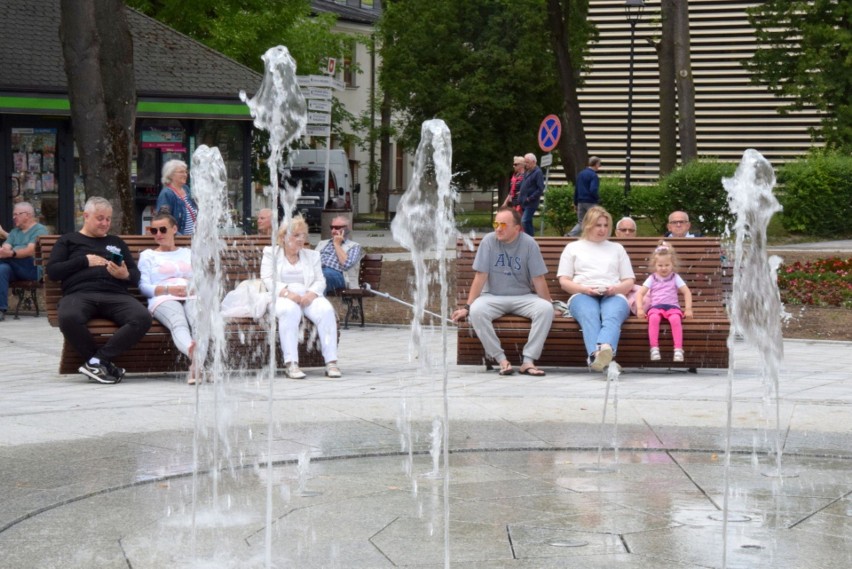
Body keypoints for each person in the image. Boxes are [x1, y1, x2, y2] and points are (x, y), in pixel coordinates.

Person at [47, 197, 152, 384]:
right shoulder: (69, 241)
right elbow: (53, 271)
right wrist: (83, 261)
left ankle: (96, 361)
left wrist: (125, 275)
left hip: (115, 295)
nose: (105, 223)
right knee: (69, 316)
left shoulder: (116, 242)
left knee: (142, 317)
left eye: (108, 219)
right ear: (86, 216)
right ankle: (97, 364)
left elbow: (136, 275)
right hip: (79, 294)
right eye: (100, 218)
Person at [451, 207, 554, 376]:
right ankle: (501, 360)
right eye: (496, 223)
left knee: (545, 309)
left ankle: (528, 361)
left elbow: (538, 279)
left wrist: (550, 304)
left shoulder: (529, 244)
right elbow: (480, 276)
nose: (498, 228)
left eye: (504, 225)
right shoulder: (488, 242)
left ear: (517, 228)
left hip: (523, 297)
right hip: (492, 297)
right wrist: (467, 307)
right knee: (477, 311)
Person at [261, 216, 341, 380]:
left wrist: (311, 294)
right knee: (290, 311)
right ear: (283, 237)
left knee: (326, 310)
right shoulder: (270, 253)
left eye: (303, 235)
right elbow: (268, 279)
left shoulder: (312, 255)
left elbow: (320, 280)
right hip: (280, 295)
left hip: (307, 295)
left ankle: (331, 362)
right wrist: (288, 294)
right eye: (296, 235)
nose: (300, 239)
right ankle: (291, 364)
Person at [557, 206, 635, 372]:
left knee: (612, 314)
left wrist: (615, 289)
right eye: (598, 225)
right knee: (590, 314)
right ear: (587, 225)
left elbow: (629, 281)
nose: (602, 229)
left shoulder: (617, 248)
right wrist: (585, 289)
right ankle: (603, 356)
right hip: (582, 293)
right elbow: (564, 281)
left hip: (613, 293)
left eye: (606, 225)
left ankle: (599, 352)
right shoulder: (573, 248)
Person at [138, 213, 198, 383]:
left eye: (163, 229)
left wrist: (194, 286)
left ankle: (196, 365)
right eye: (153, 230)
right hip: (163, 297)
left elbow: (200, 279)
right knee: (178, 322)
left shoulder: (187, 253)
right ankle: (192, 352)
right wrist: (168, 288)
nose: (158, 234)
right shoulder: (148, 255)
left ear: (174, 229)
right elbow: (143, 287)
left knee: (198, 320)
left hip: (191, 294)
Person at [635, 241, 694, 363]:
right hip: (656, 307)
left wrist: (688, 309)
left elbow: (686, 292)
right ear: (655, 265)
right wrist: (640, 308)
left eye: (667, 265)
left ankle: (678, 349)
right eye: (660, 265)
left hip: (673, 307)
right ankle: (654, 348)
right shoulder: (652, 278)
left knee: (675, 320)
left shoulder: (675, 277)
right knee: (654, 319)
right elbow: (640, 293)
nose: (664, 268)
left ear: (672, 264)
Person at [0, 202, 48, 321]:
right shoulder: (14, 232)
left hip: (31, 268)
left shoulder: (39, 230)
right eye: (13, 214)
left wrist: (12, 252)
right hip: (14, 267)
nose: (14, 217)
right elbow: (5, 248)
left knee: (7, 259)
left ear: (27, 215)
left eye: (17, 214)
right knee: (1, 269)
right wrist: (7, 251)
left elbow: (30, 250)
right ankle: (1, 309)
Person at [315, 215, 362, 295]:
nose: (333, 231)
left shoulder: (354, 246)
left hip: (338, 276)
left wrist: (337, 244)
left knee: (322, 278)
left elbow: (346, 264)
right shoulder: (322, 243)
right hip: (317, 271)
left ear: (347, 228)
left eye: (337, 227)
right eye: (332, 227)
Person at [156, 160, 198, 235]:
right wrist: (179, 237)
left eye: (186, 172)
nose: (185, 174)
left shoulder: (186, 189)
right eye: (181, 172)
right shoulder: (167, 194)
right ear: (170, 175)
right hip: (179, 240)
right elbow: (163, 221)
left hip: (192, 239)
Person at [567, 156, 602, 237]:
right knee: (595, 220)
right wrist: (598, 198)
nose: (599, 166)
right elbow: (593, 190)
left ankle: (571, 235)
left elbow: (577, 189)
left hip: (580, 202)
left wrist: (575, 202)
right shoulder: (593, 175)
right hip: (591, 202)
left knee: (581, 222)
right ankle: (594, 237)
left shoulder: (581, 174)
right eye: (599, 164)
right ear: (596, 164)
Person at [517, 153, 545, 237]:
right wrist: (521, 192)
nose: (526, 164)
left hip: (531, 202)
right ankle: (531, 238)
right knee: (528, 221)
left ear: (533, 162)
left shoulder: (538, 172)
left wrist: (530, 198)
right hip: (523, 201)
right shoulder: (527, 171)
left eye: (527, 162)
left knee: (524, 220)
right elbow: (525, 183)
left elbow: (540, 188)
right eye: (525, 162)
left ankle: (530, 238)